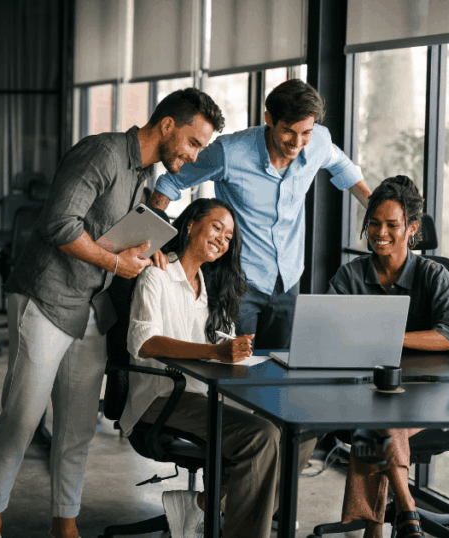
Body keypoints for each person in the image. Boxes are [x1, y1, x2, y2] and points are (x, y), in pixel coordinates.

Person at [0, 88, 225, 538]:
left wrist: (152, 254)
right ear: (167, 126)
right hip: (46, 298)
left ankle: (65, 523)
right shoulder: (102, 153)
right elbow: (59, 224)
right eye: (193, 143)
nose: (194, 156)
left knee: (76, 428)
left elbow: (118, 239)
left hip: (92, 308)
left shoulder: (142, 175)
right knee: (22, 417)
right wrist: (115, 262)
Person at [119, 198, 317, 538]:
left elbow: (217, 351)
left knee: (299, 425)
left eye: (228, 238)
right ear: (191, 224)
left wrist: (235, 352)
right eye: (216, 228)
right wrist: (214, 351)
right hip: (162, 396)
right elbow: (145, 342)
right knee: (262, 435)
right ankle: (237, 525)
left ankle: (205, 507)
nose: (222, 240)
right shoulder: (157, 275)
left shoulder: (209, 289)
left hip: (204, 392)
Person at [147, 79, 372, 349]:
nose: (297, 143)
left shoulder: (318, 141)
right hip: (238, 281)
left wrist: (374, 207)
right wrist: (151, 239)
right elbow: (170, 183)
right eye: (288, 131)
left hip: (288, 280)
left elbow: (341, 166)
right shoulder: (229, 153)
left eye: (306, 133)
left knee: (278, 370)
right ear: (269, 118)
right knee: (235, 369)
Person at [326, 175, 449, 538]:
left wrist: (389, 335)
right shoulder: (350, 277)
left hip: (426, 402)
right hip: (361, 398)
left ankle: (375, 528)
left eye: (392, 225)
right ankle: (407, 511)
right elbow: (329, 335)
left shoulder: (434, 276)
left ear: (412, 229)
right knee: (379, 416)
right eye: (373, 223)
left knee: (376, 426)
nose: (380, 232)